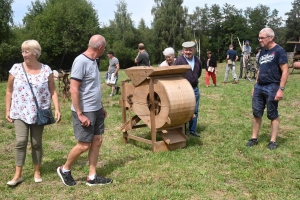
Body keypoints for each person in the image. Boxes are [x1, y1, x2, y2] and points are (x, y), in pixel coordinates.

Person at [57, 34, 112, 186]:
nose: (104, 50)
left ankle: (92, 177)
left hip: (96, 109)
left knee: (97, 141)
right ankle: (65, 169)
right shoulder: (81, 61)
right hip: (84, 110)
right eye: (104, 47)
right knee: (84, 145)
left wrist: (100, 106)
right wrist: (80, 114)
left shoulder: (94, 61)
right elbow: (74, 89)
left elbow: (92, 87)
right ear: (100, 48)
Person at [5, 40, 61, 186]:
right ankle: (18, 175)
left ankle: (37, 171)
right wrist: (7, 110)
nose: (24, 55)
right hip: (19, 112)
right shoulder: (16, 69)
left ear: (35, 53)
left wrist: (57, 109)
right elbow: (9, 90)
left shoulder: (46, 70)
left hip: (38, 113)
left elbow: (52, 90)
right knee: (20, 141)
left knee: (36, 143)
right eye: (22, 51)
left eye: (27, 52)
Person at [246, 28, 289, 150]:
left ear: (270, 38)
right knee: (256, 112)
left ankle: (273, 141)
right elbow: (260, 69)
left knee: (272, 114)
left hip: (273, 86)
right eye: (259, 38)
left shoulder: (279, 51)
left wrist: (281, 89)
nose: (259, 40)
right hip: (260, 86)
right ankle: (254, 138)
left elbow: (285, 71)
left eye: (262, 38)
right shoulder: (263, 51)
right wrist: (255, 85)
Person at [174, 41, 202, 137]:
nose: (188, 52)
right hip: (182, 91)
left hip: (194, 89)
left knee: (194, 110)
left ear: (193, 50)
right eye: (186, 50)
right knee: (182, 110)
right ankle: (181, 130)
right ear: (183, 51)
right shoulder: (178, 60)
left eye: (190, 50)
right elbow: (174, 74)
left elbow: (198, 73)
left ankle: (192, 130)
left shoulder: (197, 60)